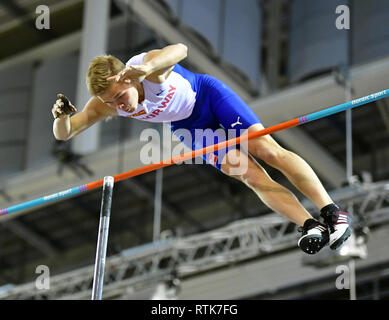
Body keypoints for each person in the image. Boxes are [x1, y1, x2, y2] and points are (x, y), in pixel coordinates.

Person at [52, 43, 351, 254]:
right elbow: (65, 134)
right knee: (249, 174)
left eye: (120, 95)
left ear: (124, 77)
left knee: (268, 151)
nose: (119, 105)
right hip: (190, 127)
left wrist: (147, 69)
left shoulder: (147, 68)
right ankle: (311, 226)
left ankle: (333, 213)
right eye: (111, 102)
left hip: (208, 96)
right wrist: (61, 117)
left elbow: (181, 49)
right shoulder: (106, 105)